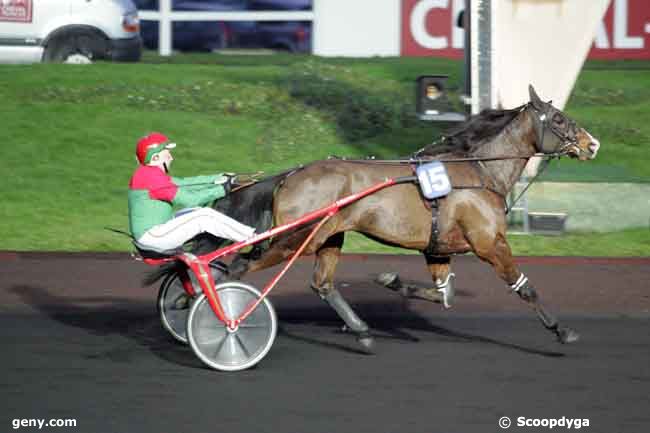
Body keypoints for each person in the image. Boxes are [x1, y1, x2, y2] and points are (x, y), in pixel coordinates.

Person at [128, 132, 256, 253]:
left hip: (157, 230)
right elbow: (189, 199)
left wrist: (220, 178)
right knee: (203, 216)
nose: (171, 158)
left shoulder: (148, 174)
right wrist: (223, 189)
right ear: (155, 157)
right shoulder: (149, 176)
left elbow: (186, 183)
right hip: (153, 237)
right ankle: (253, 237)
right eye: (167, 153)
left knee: (196, 211)